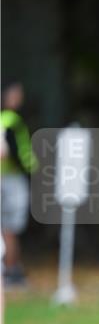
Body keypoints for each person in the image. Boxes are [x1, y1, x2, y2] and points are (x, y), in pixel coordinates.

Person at [1, 82, 37, 289]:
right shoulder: (11, 120)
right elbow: (9, 151)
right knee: (10, 227)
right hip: (12, 179)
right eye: (16, 94)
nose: (19, 98)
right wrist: (30, 169)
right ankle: (10, 270)